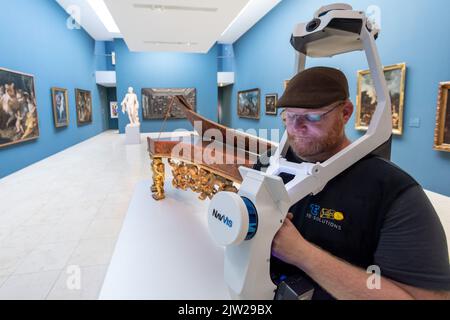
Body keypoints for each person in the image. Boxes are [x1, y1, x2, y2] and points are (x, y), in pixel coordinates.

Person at [270, 67, 450, 300]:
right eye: (290, 116)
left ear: (345, 113)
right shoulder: (273, 165)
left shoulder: (394, 192)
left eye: (312, 116)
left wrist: (302, 253)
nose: (296, 128)